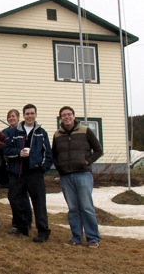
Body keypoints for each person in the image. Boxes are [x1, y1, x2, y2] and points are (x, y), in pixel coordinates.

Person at [52, 106, 103, 248]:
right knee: (73, 208)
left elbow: (98, 150)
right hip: (66, 176)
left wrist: (87, 161)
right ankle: (76, 237)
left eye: (69, 114)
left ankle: (93, 238)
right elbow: (54, 155)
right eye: (63, 115)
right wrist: (59, 166)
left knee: (86, 207)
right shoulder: (57, 135)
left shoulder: (85, 130)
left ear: (74, 116)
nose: (66, 117)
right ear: (61, 118)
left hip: (83, 174)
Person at [4, 104, 52, 243]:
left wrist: (42, 168)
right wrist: (18, 153)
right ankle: (22, 227)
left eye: (32, 113)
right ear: (23, 116)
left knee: (39, 203)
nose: (30, 116)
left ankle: (43, 232)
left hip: (35, 174)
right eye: (27, 114)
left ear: (36, 115)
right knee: (14, 199)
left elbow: (48, 153)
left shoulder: (41, 133)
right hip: (17, 173)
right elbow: (6, 150)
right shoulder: (14, 132)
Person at [2, 109, 33, 232]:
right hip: (11, 168)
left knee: (23, 197)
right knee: (14, 197)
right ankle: (17, 222)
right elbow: (5, 148)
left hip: (24, 169)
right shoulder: (5, 132)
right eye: (9, 117)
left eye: (13, 116)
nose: (11, 118)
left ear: (19, 118)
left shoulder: (23, 131)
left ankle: (27, 222)